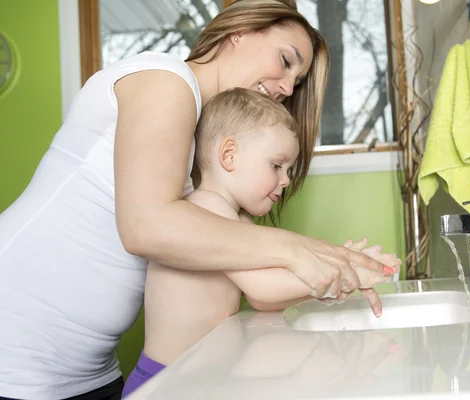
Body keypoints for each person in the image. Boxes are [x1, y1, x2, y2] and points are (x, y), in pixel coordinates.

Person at [0, 1, 398, 399]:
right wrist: (301, 249)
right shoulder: (166, 80)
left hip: (86, 370)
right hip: (15, 353)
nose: (288, 88)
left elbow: (253, 280)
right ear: (239, 31)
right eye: (285, 60)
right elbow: (146, 226)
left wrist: (334, 270)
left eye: (298, 79)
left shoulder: (213, 153)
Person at [120, 88, 399, 398]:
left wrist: (327, 282)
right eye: (276, 166)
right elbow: (263, 287)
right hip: (164, 383)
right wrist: (345, 271)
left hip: (196, 380)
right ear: (229, 156)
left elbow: (264, 301)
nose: (286, 180)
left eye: (288, 170)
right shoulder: (205, 208)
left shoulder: (238, 220)